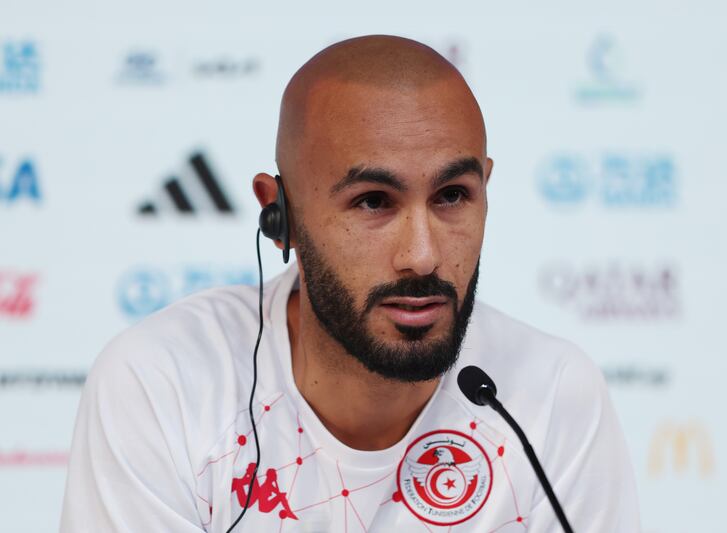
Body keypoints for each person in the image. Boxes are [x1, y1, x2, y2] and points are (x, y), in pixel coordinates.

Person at [60, 35, 641, 532]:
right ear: (279, 215)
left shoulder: (552, 397)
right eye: (372, 202)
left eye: (452, 196)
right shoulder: (165, 384)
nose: (422, 256)